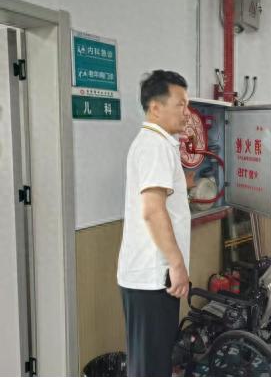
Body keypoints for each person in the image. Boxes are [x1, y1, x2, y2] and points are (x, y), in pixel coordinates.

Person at [117, 70, 191, 376]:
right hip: (151, 276)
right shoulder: (155, 145)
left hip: (151, 276)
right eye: (180, 104)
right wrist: (177, 264)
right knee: (150, 367)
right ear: (156, 108)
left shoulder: (158, 143)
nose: (186, 112)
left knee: (153, 362)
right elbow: (152, 210)